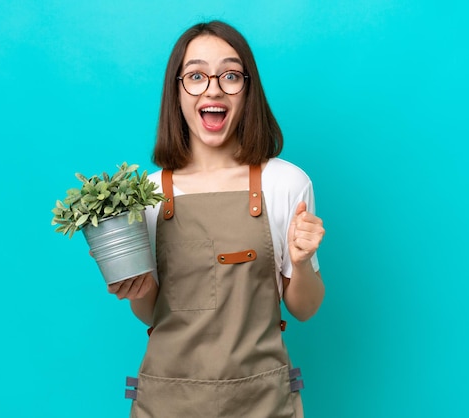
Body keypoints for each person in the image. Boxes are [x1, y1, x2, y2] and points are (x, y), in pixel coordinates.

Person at [107, 20, 325, 417]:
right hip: (167, 401)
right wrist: (133, 282)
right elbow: (149, 312)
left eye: (229, 75)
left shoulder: (286, 183)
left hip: (262, 402)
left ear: (248, 89)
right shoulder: (147, 194)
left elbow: (305, 308)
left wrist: (300, 261)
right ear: (177, 91)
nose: (213, 88)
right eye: (195, 76)